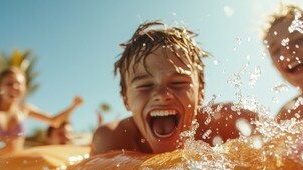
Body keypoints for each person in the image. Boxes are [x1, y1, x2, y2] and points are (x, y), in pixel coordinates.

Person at [91, 21, 257, 155]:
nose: (162, 95)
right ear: (126, 100)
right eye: (145, 85)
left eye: (178, 83)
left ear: (200, 93)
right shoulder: (113, 142)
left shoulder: (225, 124)